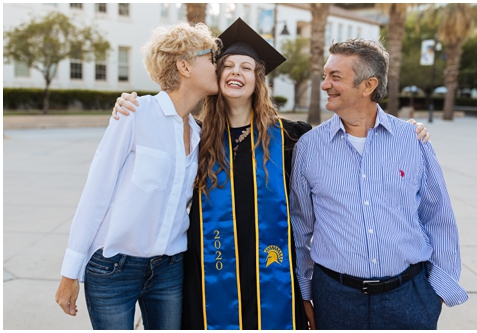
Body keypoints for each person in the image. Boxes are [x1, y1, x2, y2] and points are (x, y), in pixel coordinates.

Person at [111, 19, 432, 330]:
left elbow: (344, 156)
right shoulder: (194, 134)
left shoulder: (292, 137)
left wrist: (408, 130)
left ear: (257, 80)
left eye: (246, 67)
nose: (236, 72)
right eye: (227, 65)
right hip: (208, 274)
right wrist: (128, 104)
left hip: (272, 275)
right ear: (216, 76)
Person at [290, 38, 466, 330]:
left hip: (409, 297)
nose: (324, 85)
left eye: (335, 77)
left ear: (368, 85)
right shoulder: (308, 147)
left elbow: (439, 216)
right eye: (325, 76)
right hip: (335, 299)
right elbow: (300, 227)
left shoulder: (412, 141)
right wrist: (305, 294)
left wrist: (438, 292)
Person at [54, 22, 219, 329]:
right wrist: (69, 273)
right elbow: (95, 193)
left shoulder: (198, 135)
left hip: (170, 270)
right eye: (210, 57)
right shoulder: (134, 114)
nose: (217, 65)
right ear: (184, 66)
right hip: (114, 270)